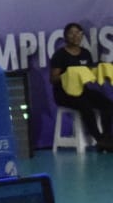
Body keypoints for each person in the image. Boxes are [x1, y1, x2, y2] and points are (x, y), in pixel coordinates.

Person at [48, 22, 113, 151]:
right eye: (72, 33)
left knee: (108, 104)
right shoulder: (60, 55)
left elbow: (87, 74)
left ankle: (106, 137)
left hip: (82, 90)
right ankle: (99, 139)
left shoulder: (85, 53)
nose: (75, 36)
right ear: (66, 36)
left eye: (78, 33)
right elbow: (52, 79)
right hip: (64, 94)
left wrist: (101, 72)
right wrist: (68, 75)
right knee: (86, 107)